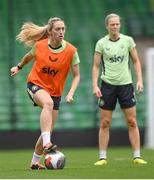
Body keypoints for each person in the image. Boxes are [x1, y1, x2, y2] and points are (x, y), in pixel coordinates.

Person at [10, 17, 80, 169]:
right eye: (57, 29)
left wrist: (70, 93)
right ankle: (48, 143)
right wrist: (18, 67)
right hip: (35, 84)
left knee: (47, 130)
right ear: (50, 31)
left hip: (56, 93)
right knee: (47, 103)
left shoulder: (71, 51)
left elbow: (77, 75)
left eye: (63, 29)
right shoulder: (40, 46)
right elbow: (28, 57)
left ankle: (34, 162)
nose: (61, 32)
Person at [92, 13, 147, 165]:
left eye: (117, 24)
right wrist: (95, 85)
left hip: (126, 85)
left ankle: (137, 156)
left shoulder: (128, 41)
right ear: (107, 26)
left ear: (119, 25)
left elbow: (136, 61)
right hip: (107, 86)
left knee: (132, 121)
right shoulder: (101, 43)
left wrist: (140, 80)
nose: (115, 27)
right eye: (112, 24)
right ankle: (102, 157)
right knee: (105, 122)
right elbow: (96, 66)